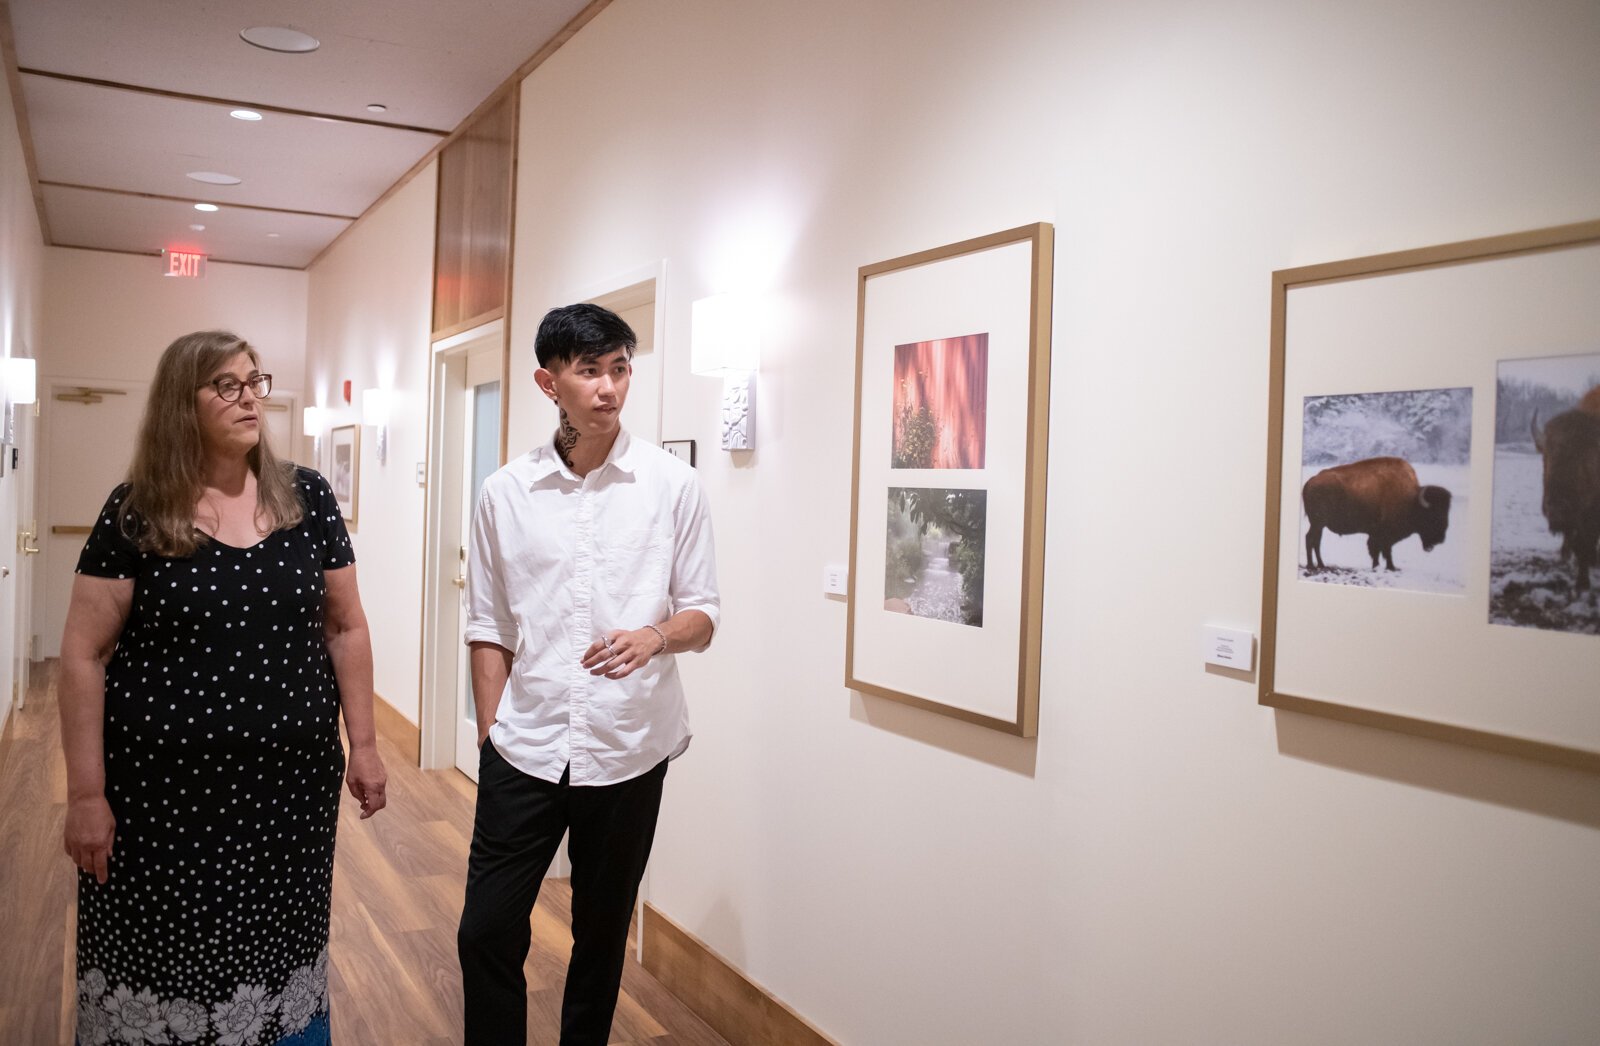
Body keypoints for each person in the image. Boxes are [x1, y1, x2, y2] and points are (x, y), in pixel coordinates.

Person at [59, 330, 387, 1046]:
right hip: (164, 801)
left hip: (290, 795)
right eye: (226, 385)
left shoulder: (307, 498)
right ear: (184, 402)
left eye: (253, 381)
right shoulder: (138, 510)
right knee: (164, 955)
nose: (249, 398)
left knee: (278, 945)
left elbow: (346, 627)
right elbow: (82, 654)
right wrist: (86, 794)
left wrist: (364, 743)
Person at [456, 303, 720, 1045]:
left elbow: (703, 613)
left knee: (600, 938)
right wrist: (489, 730)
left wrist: (654, 635)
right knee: (485, 933)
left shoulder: (673, 486)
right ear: (549, 382)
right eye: (590, 370)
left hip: (630, 745)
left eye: (621, 368)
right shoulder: (505, 493)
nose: (609, 387)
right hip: (525, 745)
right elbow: (487, 626)